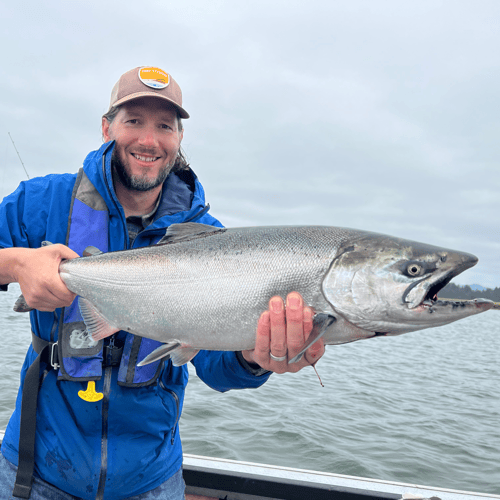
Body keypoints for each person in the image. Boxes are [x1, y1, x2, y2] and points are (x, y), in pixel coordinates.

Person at [0, 66, 325, 499]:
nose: (149, 140)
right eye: (133, 121)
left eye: (164, 126)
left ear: (179, 138)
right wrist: (16, 263)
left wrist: (255, 356)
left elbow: (217, 368)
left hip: (152, 483)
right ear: (106, 128)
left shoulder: (212, 240)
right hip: (33, 474)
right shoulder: (41, 202)